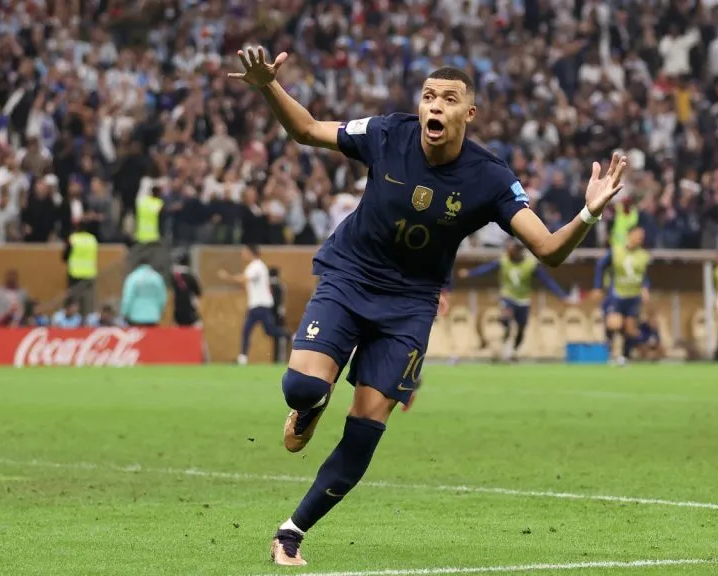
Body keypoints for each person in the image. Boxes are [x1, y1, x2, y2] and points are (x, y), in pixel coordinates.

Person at [227, 47, 627, 566]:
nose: (435, 106)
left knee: (366, 429)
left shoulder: (489, 177)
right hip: (350, 276)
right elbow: (306, 130)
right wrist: (268, 85)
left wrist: (588, 214)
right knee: (301, 386)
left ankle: (291, 531)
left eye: (449, 99)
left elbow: (548, 249)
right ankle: (311, 404)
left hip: (410, 304)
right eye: (429, 96)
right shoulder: (386, 133)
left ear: (469, 113)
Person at [457, 240, 574, 361]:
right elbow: (486, 269)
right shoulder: (503, 261)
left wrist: (562, 296)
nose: (508, 252)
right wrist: (469, 273)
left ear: (518, 252)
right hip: (507, 297)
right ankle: (504, 338)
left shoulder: (530, 265)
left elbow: (547, 281)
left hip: (523, 300)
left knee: (521, 328)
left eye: (511, 250)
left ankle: (514, 349)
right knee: (506, 317)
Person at [217, 245, 288, 365]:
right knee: (253, 330)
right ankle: (243, 358)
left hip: (261, 305)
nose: (242, 254)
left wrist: (227, 277)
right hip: (257, 305)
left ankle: (290, 335)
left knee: (266, 330)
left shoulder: (256, 266)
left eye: (244, 252)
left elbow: (244, 279)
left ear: (251, 252)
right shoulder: (256, 266)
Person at [591, 226, 651, 365]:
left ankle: (624, 356)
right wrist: (598, 287)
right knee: (614, 324)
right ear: (629, 235)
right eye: (638, 235)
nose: (640, 239)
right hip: (617, 295)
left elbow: (644, 275)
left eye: (642, 237)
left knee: (630, 329)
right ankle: (610, 349)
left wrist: (645, 287)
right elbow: (601, 265)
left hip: (633, 296)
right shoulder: (616, 251)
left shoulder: (643, 255)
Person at [120, 256, 168, 327]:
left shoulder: (133, 277)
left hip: (135, 316)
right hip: (153, 316)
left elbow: (128, 297)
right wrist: (161, 311)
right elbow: (162, 297)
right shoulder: (157, 277)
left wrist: (124, 312)